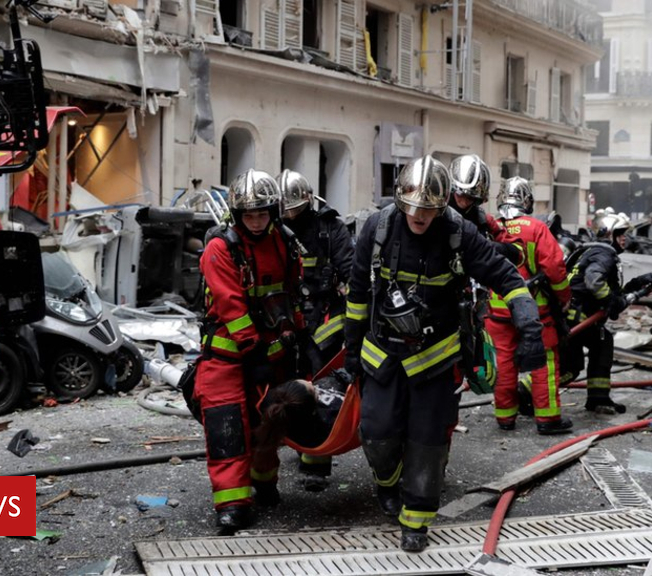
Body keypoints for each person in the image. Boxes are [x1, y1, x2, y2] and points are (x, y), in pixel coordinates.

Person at [343, 155, 546, 552]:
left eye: (430, 209)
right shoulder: (378, 228)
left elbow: (504, 276)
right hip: (382, 353)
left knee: (429, 441)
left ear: (442, 205)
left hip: (436, 356)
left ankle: (416, 519)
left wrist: (528, 321)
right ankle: (388, 482)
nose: (420, 216)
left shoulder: (457, 233)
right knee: (376, 433)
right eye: (414, 207)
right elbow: (357, 292)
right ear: (401, 201)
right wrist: (352, 351)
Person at [194, 169, 306, 534]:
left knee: (268, 424)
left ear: (273, 212)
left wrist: (297, 340)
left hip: (271, 356)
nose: (255, 221)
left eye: (262, 213)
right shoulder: (220, 249)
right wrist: (253, 354)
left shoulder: (285, 243)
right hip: (226, 359)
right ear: (236, 214)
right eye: (249, 215)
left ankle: (265, 482)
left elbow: (292, 296)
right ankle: (231, 506)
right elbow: (231, 307)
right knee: (227, 429)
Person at [278, 168, 354, 491]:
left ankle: (317, 464)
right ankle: (298, 445)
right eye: (286, 211)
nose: (291, 216)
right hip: (289, 318)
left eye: (295, 209)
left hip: (326, 321)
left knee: (321, 388)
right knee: (290, 388)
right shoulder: (275, 229)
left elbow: (351, 271)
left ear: (308, 202)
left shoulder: (329, 228)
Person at [485, 177, 573, 434]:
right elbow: (555, 268)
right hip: (536, 311)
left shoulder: (493, 227)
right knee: (544, 363)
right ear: (527, 200)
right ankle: (547, 420)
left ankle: (505, 418)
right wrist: (564, 296)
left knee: (503, 363)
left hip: (498, 310)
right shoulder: (536, 228)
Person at [562, 210, 652, 414]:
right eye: (620, 233)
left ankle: (599, 398)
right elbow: (594, 281)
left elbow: (613, 293)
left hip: (577, 318)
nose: (625, 238)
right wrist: (611, 302)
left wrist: (638, 283)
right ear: (608, 234)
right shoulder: (604, 254)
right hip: (576, 319)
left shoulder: (589, 251)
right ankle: (525, 393)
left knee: (603, 342)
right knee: (570, 368)